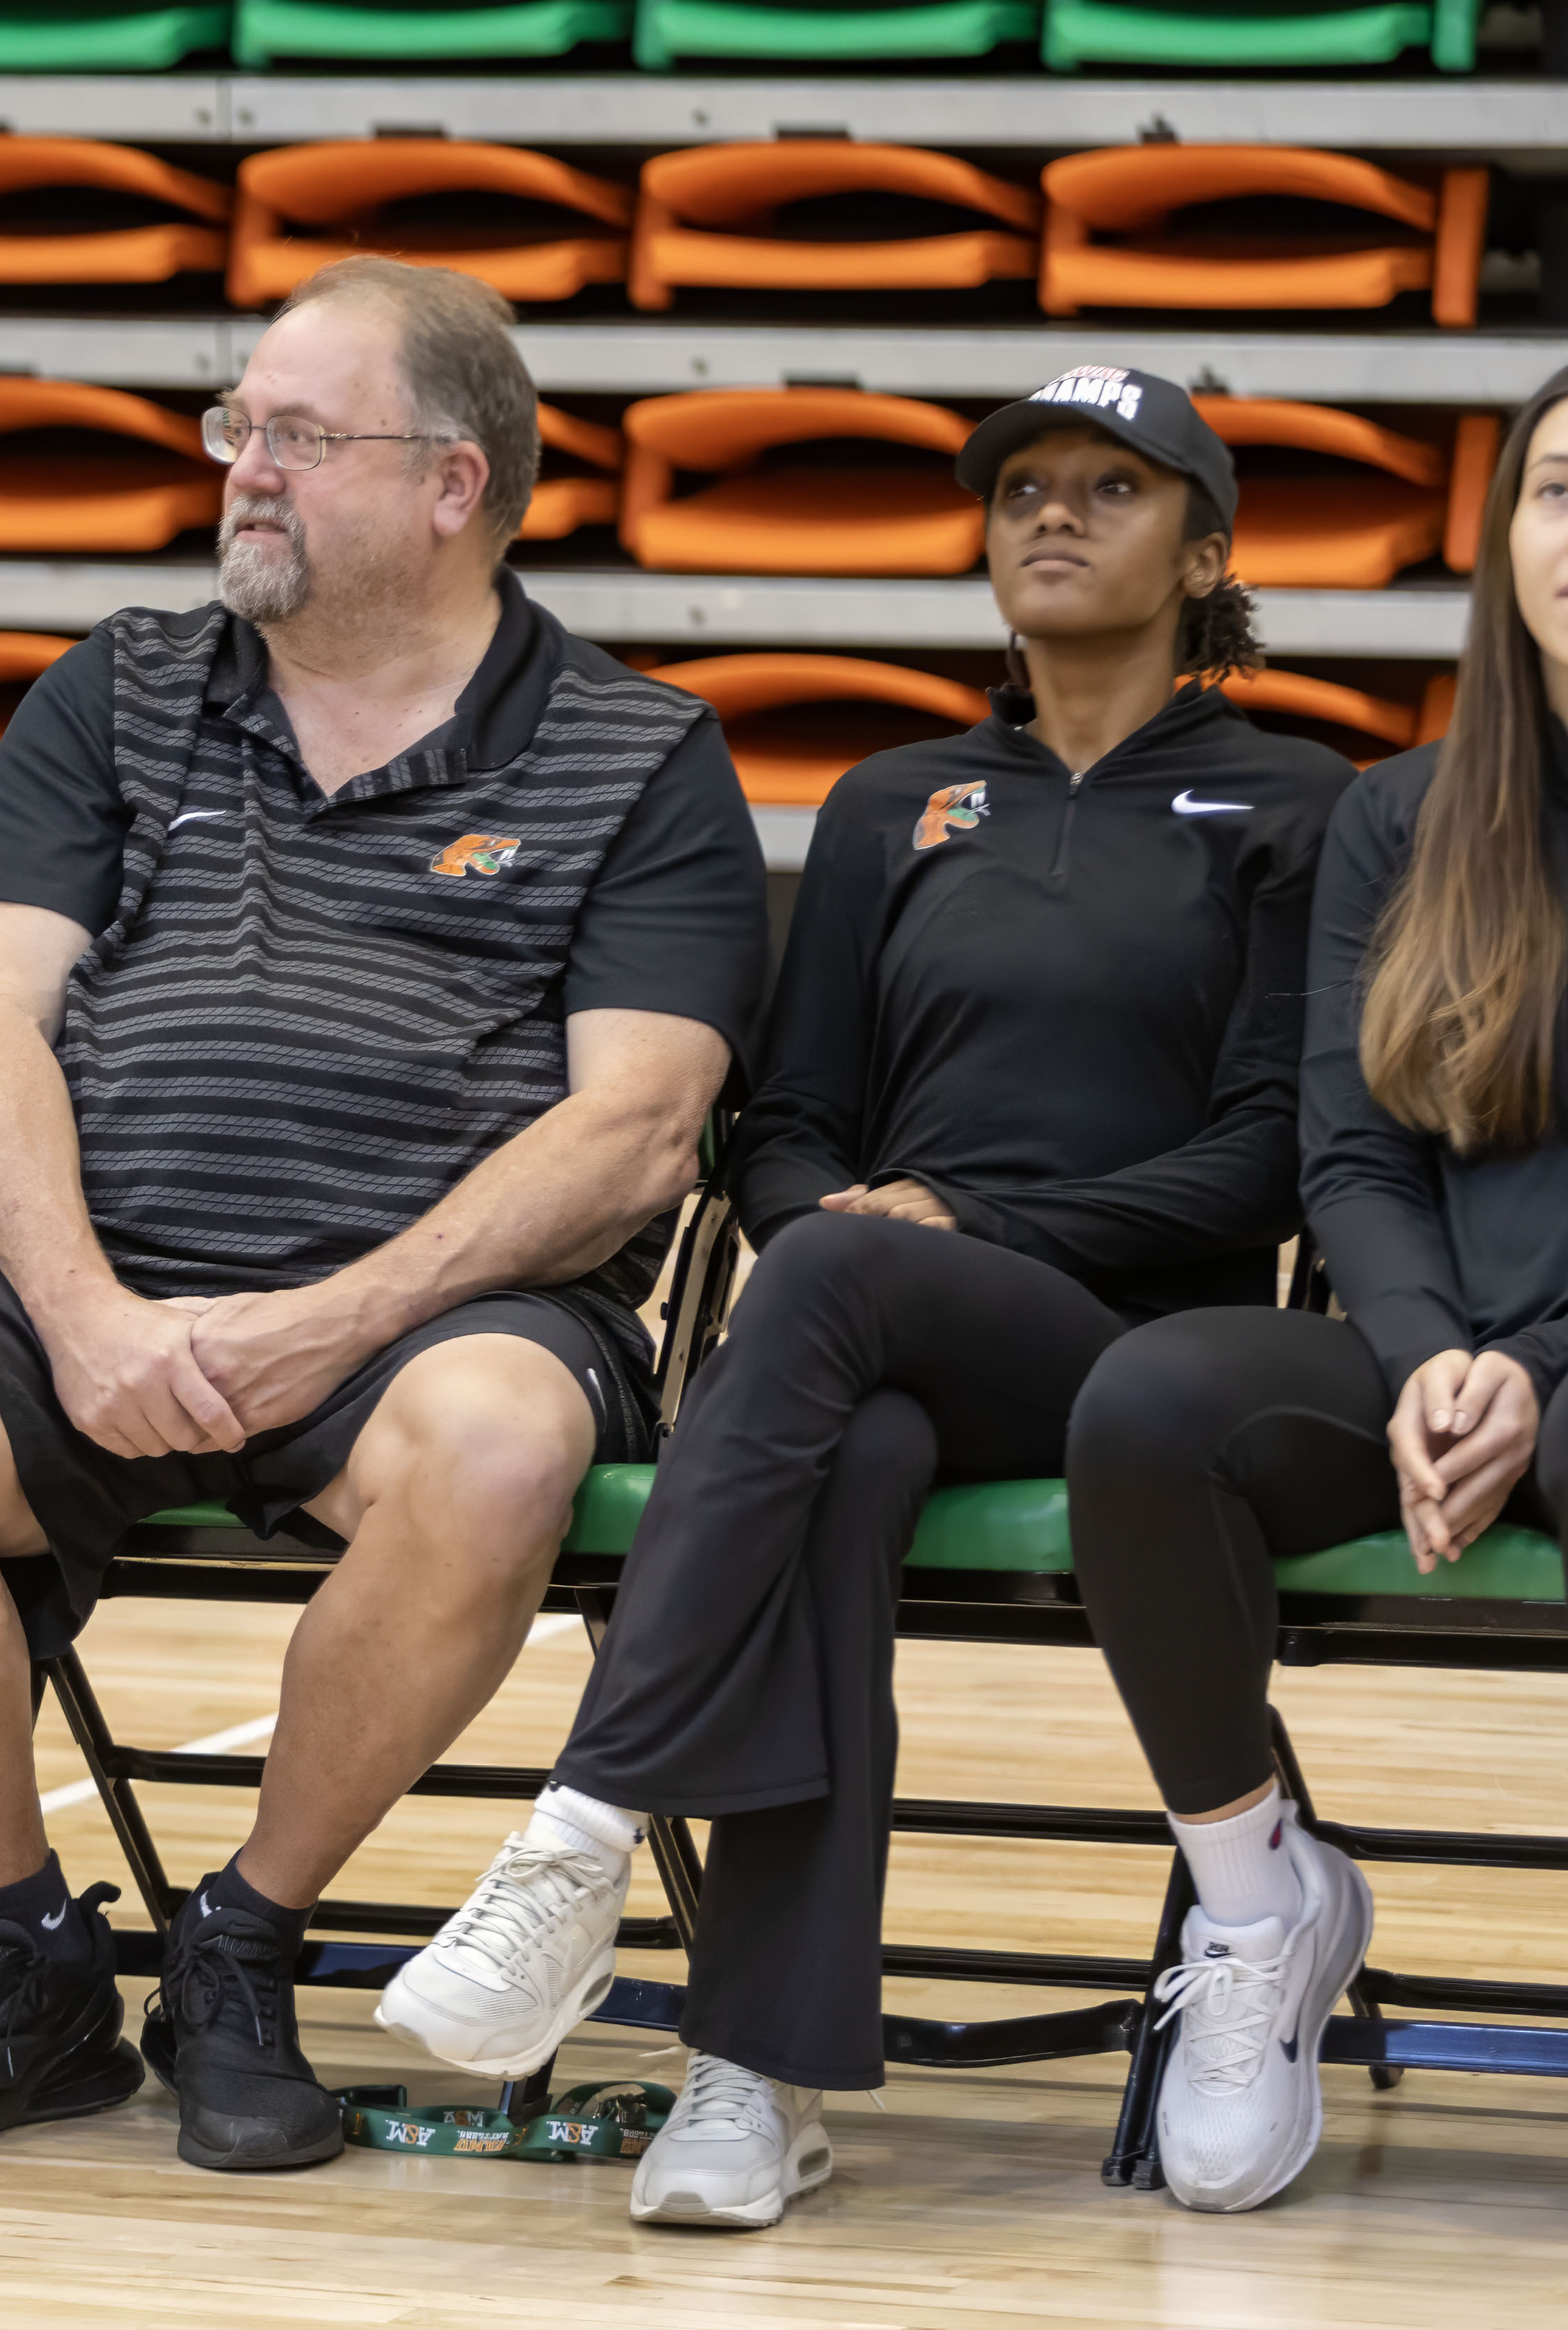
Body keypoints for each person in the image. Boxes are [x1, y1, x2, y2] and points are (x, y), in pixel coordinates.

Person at [0, 258, 767, 2177]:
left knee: (491, 1443)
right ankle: (20, 1955)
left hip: (430, 1323)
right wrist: (73, 1311)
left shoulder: (637, 754)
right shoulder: (118, 685)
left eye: (298, 437)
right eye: (239, 428)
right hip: (92, 1297)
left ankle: (242, 1939)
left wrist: (335, 1315)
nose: (243, 471)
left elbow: (637, 1131)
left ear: (453, 482)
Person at [390, 367, 1350, 2228]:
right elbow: (789, 1116)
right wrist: (840, 1215)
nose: (1048, 517)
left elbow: (1271, 1162)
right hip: (875, 1336)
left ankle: (578, 1835)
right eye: (1017, 493)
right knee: (841, 1447)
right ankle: (749, 2078)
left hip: (1147, 1375)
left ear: (1205, 548)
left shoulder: (1299, 803)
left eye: (1107, 489)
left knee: (832, 1276)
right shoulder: (890, 800)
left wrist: (942, 1221)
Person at [1065, 353, 1568, 2239]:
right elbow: (1347, 1153)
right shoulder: (1400, 818)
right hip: (1440, 1346)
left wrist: (1538, 1361)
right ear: (1499, 546)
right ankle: (1258, 1905)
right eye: (1553, 490)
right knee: (1149, 1406)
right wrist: (1423, 1359)